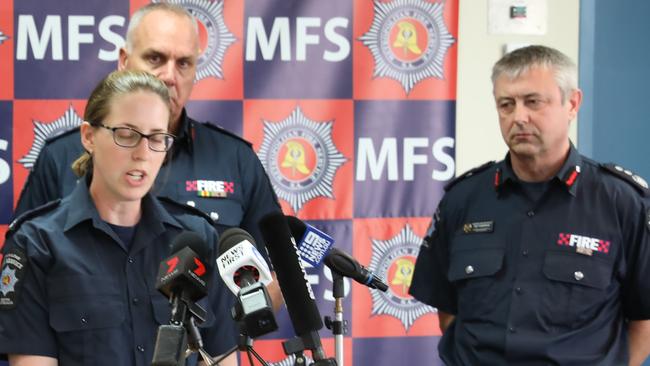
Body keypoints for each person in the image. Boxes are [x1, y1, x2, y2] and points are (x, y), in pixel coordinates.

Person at [12, 3, 283, 308]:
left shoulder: (235, 160)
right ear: (124, 61)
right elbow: (23, 282)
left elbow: (276, 276)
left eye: (184, 63)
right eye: (155, 58)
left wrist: (217, 333)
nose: (169, 76)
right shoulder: (60, 157)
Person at [409, 45, 650, 365]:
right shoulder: (463, 199)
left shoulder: (622, 202)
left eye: (533, 102)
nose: (518, 117)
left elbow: (644, 320)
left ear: (572, 103)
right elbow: (447, 310)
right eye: (506, 104)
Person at [0, 70, 236, 365]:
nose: (142, 153)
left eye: (157, 138)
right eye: (127, 134)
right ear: (88, 136)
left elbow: (219, 357)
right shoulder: (36, 243)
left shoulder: (196, 239)